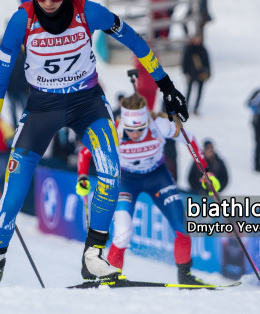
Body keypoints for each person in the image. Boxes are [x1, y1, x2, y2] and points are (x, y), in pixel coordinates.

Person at [0, 0, 189, 287]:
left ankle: (93, 255)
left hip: (86, 104)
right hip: (42, 108)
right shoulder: (22, 19)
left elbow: (136, 43)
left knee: (110, 170)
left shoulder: (88, 11)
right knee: (15, 188)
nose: (48, 2)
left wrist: (166, 86)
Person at [77, 93, 210, 285]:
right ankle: (111, 278)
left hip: (158, 177)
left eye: (140, 128)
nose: (136, 134)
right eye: (131, 130)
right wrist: (82, 177)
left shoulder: (159, 124)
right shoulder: (114, 129)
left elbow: (189, 139)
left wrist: (205, 170)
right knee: (122, 234)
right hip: (126, 181)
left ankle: (185, 276)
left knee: (182, 227)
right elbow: (84, 153)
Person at [181, 35, 210, 115]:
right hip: (191, 74)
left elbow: (207, 62)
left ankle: (196, 108)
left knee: (199, 92)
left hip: (201, 74)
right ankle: (185, 107)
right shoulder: (189, 49)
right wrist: (185, 73)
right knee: (189, 91)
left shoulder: (203, 49)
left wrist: (208, 73)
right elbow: (185, 62)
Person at [5, 43, 28, 127]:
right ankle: (15, 128)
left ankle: (26, 126)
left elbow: (27, 69)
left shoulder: (22, 51)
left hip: (22, 88)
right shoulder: (6, 53)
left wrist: (27, 86)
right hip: (11, 89)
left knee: (25, 109)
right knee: (12, 110)